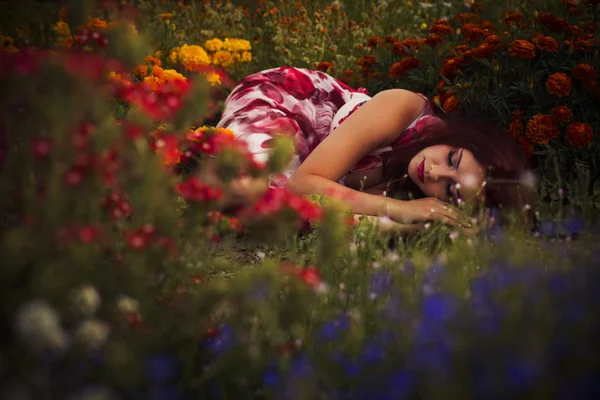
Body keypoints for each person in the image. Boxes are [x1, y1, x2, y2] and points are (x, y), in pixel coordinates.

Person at [209, 66, 533, 233]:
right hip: (287, 103)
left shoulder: (417, 190)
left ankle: (387, 230)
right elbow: (303, 186)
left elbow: (314, 196)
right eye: (452, 159)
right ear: (463, 140)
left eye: (449, 186)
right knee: (249, 189)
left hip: (308, 164)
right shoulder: (405, 108)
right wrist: (399, 210)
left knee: (282, 211)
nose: (433, 172)